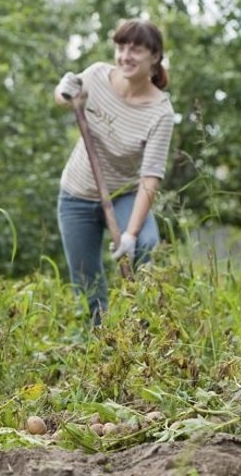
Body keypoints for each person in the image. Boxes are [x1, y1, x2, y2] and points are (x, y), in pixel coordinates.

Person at [54, 18, 175, 325]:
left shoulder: (160, 112)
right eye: (121, 47)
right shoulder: (96, 76)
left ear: (155, 56)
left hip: (125, 195)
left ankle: (147, 329)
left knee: (146, 246)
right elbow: (65, 97)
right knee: (86, 282)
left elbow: (150, 178)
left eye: (135, 50)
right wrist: (63, 90)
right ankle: (100, 343)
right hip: (76, 195)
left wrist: (131, 235)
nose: (125, 56)